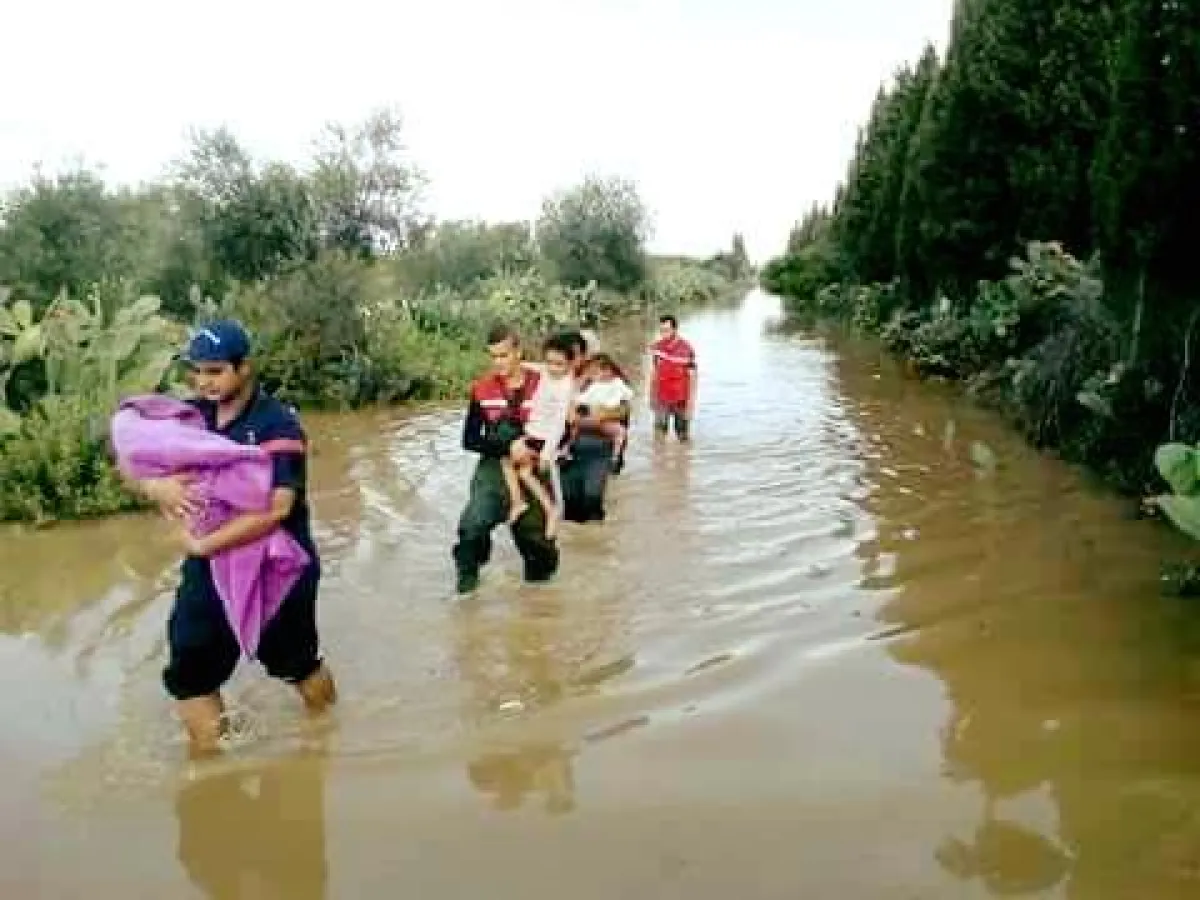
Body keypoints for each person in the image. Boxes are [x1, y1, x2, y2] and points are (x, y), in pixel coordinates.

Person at [127, 320, 335, 755]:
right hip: (209, 564)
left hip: (277, 566)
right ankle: (210, 766)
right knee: (189, 667)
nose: (204, 382)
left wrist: (203, 545)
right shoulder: (191, 418)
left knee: (294, 663)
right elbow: (131, 452)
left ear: (244, 368)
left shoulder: (278, 426)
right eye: (196, 371)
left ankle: (326, 735)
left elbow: (277, 509)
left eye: (215, 371)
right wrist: (155, 487)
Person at [453, 323, 560, 595]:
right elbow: (470, 440)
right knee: (471, 528)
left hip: (533, 467)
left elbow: (564, 428)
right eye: (493, 356)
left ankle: (541, 602)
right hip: (493, 468)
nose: (498, 362)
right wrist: (506, 448)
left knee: (536, 546)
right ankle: (468, 589)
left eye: (504, 355)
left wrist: (531, 446)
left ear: (518, 352)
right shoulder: (481, 389)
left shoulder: (546, 385)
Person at [501, 334, 577, 540]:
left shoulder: (565, 387)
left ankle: (523, 504)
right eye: (549, 362)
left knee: (508, 458)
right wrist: (513, 362)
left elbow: (559, 423)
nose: (553, 368)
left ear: (570, 364)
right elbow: (534, 366)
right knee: (524, 472)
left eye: (559, 364)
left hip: (546, 437)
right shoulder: (546, 371)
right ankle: (547, 509)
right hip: (535, 431)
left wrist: (546, 453)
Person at [575, 353, 633, 473]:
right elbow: (577, 402)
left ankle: (615, 460)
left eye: (600, 370)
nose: (598, 374)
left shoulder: (618, 385)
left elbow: (624, 409)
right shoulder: (586, 384)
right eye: (593, 370)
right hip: (587, 430)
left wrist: (604, 413)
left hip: (606, 428)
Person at [649, 313, 697, 442]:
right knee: (659, 434)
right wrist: (651, 396)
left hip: (680, 398)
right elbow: (654, 373)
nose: (663, 334)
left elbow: (693, 377)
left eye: (666, 330)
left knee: (682, 436)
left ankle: (683, 455)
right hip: (661, 397)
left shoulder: (686, 349)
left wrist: (691, 403)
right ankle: (659, 454)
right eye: (661, 330)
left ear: (675, 329)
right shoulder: (657, 348)